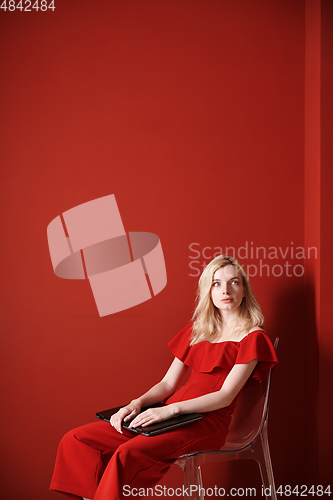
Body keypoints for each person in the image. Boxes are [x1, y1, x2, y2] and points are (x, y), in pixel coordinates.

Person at [50, 255, 278, 500]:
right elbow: (167, 384)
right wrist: (136, 404)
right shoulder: (197, 330)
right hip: (166, 414)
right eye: (216, 283)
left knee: (127, 453)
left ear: (244, 290)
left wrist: (171, 411)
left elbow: (225, 396)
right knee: (76, 440)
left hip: (206, 422)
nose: (225, 290)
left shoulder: (253, 337)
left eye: (234, 282)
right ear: (208, 291)